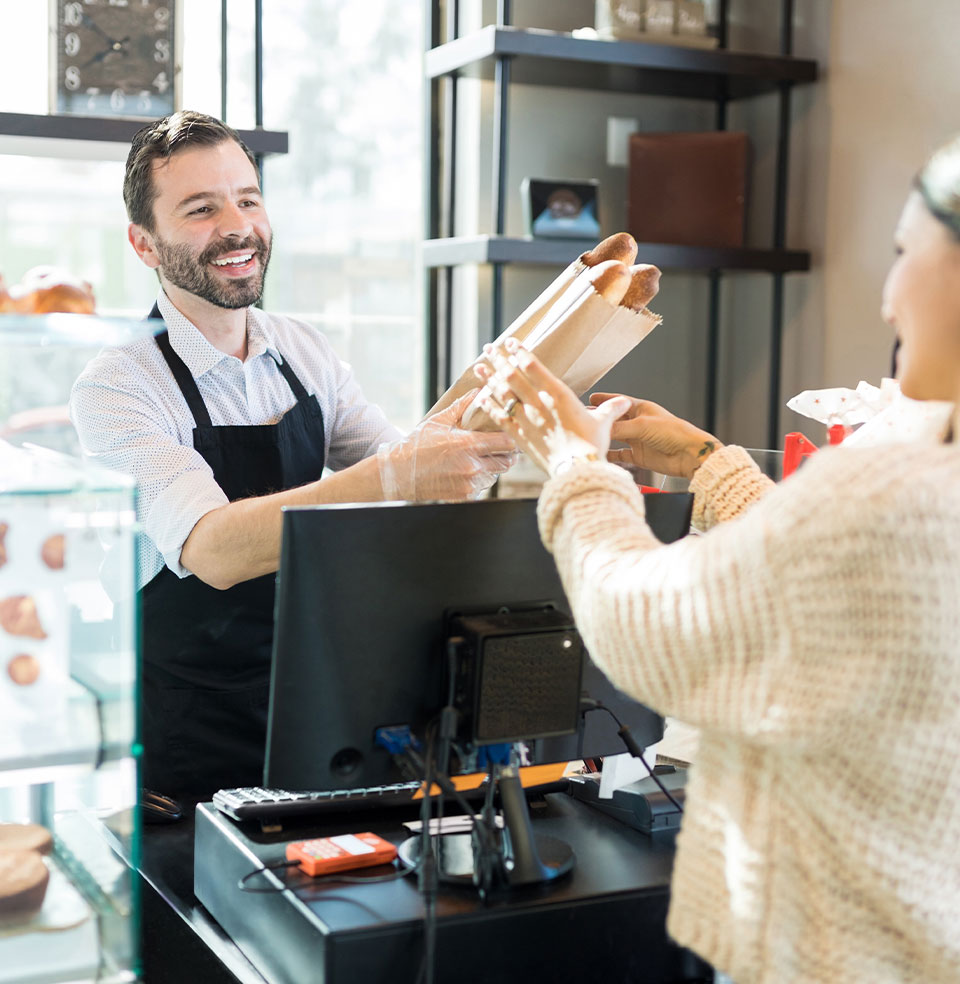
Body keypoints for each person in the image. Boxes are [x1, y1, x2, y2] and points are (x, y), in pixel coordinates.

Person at [474, 134, 960, 983]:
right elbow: (835, 593)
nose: (886, 301)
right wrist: (706, 459)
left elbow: (644, 625)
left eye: (901, 255)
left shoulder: (900, 490)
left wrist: (575, 467)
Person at [69, 111, 515, 800]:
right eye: (201, 209)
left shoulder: (303, 352)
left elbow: (406, 477)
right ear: (144, 243)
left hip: (315, 702)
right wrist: (399, 474)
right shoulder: (119, 386)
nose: (237, 226)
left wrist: (485, 434)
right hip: (188, 736)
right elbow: (214, 549)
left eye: (248, 199)